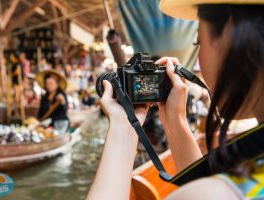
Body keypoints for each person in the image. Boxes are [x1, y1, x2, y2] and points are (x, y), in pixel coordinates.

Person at [87, 1, 264, 200]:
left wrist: (123, 128)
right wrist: (175, 122)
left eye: (199, 42)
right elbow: (200, 184)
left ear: (232, 36)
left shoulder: (219, 193)